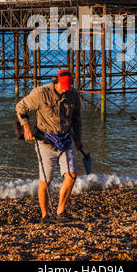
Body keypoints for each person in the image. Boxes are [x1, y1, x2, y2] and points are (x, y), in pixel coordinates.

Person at [15, 69, 83, 224]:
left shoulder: (73, 94)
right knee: (46, 181)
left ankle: (60, 211)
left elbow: (77, 118)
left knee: (71, 176)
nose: (66, 88)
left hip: (66, 140)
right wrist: (25, 127)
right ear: (56, 81)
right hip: (45, 142)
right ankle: (45, 215)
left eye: (69, 86)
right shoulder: (41, 93)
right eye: (64, 85)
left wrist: (78, 139)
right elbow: (20, 107)